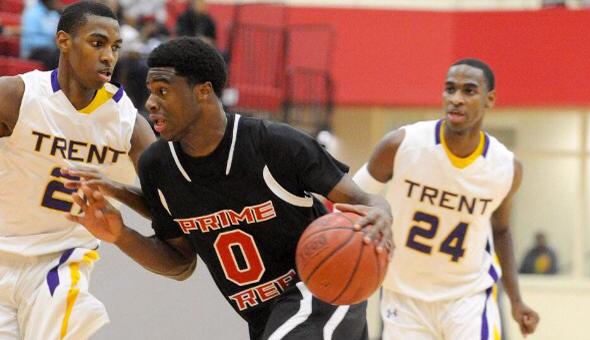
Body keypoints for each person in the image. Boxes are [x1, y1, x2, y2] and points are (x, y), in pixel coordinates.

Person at [66, 37, 393, 340]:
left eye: (163, 91)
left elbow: (364, 200)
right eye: (150, 91)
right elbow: (181, 263)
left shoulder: (274, 144)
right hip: (264, 317)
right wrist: (121, 235)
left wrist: (382, 216)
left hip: (322, 290)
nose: (150, 102)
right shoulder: (158, 167)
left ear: (203, 91)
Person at [0, 2, 156, 339]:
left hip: (61, 261)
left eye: (115, 48)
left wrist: (118, 192)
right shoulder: (18, 96)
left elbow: (168, 202)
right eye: (97, 43)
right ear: (63, 41)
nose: (108, 57)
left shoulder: (128, 123)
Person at [353, 58, 540, 339]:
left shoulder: (505, 167)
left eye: (468, 91)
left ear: (490, 99)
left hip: (468, 297)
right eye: (450, 89)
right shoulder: (402, 145)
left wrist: (515, 300)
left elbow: (501, 230)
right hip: (403, 295)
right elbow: (351, 197)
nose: (456, 99)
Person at [20, 0, 61, 69]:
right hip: (34, 51)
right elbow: (30, 39)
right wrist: (51, 40)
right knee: (56, 59)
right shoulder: (32, 13)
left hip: (51, 50)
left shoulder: (54, 14)